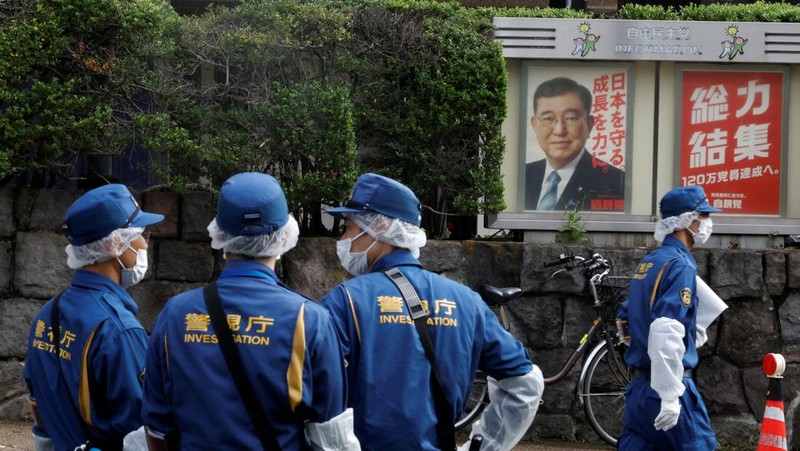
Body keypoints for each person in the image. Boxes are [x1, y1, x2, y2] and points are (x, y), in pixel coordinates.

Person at [320, 172, 544, 451]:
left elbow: (318, 396)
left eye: (348, 227)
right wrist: (481, 447)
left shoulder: (346, 301)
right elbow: (526, 383)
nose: (343, 238)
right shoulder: (467, 302)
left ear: (378, 226)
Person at [141, 172, 359, 451]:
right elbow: (331, 438)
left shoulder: (175, 314)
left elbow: (157, 427)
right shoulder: (310, 320)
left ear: (218, 232)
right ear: (285, 234)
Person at [24, 184, 164, 451]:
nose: (145, 244)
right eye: (140, 234)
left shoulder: (47, 314)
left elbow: (38, 403)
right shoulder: (119, 330)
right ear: (115, 244)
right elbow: (143, 429)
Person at [617, 185, 721, 450]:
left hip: (640, 390)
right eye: (704, 216)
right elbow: (665, 328)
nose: (707, 223)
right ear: (688, 220)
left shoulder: (650, 262)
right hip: (669, 388)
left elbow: (625, 321)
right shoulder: (681, 265)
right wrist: (670, 395)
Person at [524, 76, 624, 211]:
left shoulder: (617, 182)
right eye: (548, 118)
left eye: (570, 118)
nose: (559, 130)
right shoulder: (523, 175)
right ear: (534, 124)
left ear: (589, 124)